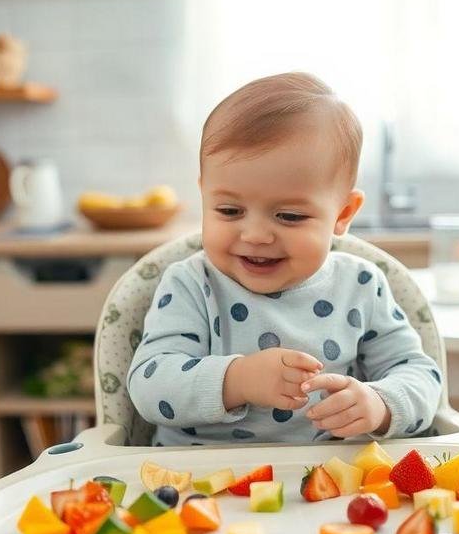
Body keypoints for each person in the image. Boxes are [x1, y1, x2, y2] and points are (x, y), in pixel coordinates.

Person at [128, 72, 442, 446]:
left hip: (327, 485)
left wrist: (379, 404)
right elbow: (149, 385)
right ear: (204, 196)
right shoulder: (191, 285)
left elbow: (420, 375)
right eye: (229, 210)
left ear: (343, 214)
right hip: (195, 483)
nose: (256, 235)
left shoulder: (361, 286)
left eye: (289, 216)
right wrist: (238, 379)